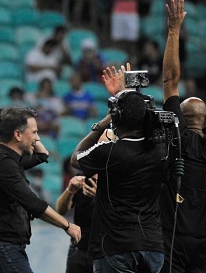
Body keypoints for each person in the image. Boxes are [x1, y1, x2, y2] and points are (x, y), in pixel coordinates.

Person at [160, 0, 206, 273]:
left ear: (179, 116)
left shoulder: (176, 136)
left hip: (173, 236)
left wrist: (173, 30)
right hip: (204, 240)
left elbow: (170, 80)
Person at [71, 72, 167, 273]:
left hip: (116, 247)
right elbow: (139, 114)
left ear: (117, 118)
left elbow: (75, 157)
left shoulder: (108, 152)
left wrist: (102, 124)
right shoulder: (160, 150)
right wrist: (130, 96)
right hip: (153, 246)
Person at [0, 107, 81, 272]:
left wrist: (13, 121)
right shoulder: (2, 163)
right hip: (2, 249)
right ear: (17, 135)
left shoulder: (9, 159)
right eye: (34, 132)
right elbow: (34, 204)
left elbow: (42, 155)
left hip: (3, 249)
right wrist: (67, 226)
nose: (37, 138)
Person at [56, 174, 97, 273]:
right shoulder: (82, 179)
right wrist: (69, 190)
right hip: (79, 249)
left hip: (106, 253)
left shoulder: (114, 182)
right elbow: (61, 210)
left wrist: (99, 197)